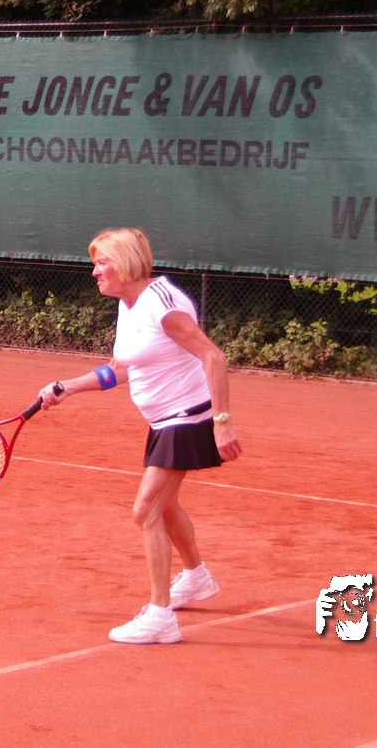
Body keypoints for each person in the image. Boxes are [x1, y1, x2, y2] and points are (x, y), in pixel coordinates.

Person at [39, 227, 242, 644]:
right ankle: (197, 578)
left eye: (102, 262)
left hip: (187, 416)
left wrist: (222, 421)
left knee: (145, 510)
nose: (94, 271)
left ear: (126, 263)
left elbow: (213, 356)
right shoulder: (128, 304)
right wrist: (68, 387)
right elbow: (121, 368)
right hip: (163, 419)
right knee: (165, 507)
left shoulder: (160, 304)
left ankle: (160, 615)